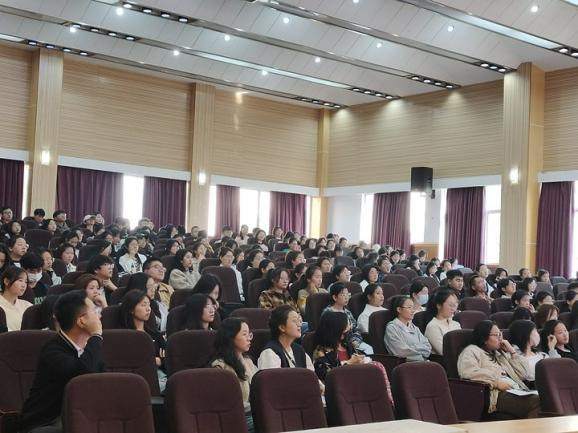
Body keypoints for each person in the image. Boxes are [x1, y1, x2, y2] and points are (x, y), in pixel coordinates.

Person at [18, 290, 104, 433]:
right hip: (46, 422)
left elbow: (101, 383)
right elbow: (83, 374)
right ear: (81, 320)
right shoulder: (52, 351)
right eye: (95, 311)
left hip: (78, 416)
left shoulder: (88, 349)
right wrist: (96, 335)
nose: (99, 315)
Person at [457, 320, 540, 418]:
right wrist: (496, 382)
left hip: (517, 390)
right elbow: (468, 373)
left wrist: (512, 351)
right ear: (484, 338)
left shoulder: (500, 353)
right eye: (496, 335)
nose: (500, 338)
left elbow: (524, 373)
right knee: (537, 402)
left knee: (548, 400)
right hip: (496, 394)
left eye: (501, 334)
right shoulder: (471, 351)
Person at [311, 311, 393, 404]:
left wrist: (362, 361)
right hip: (341, 390)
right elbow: (328, 376)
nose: (349, 328)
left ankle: (388, 402)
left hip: (358, 383)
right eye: (346, 325)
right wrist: (349, 363)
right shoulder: (321, 352)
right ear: (336, 328)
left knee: (377, 366)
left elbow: (358, 359)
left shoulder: (347, 345)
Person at [210, 317, 258, 430]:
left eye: (249, 334)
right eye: (244, 334)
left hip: (255, 413)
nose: (249, 339)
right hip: (237, 417)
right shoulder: (219, 366)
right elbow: (226, 403)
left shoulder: (248, 361)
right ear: (230, 337)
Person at [119, 289, 167, 390]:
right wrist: (153, 360)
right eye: (143, 305)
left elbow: (167, 358)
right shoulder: (122, 336)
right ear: (131, 309)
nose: (148, 309)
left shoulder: (155, 334)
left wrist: (159, 361)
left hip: (159, 376)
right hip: (134, 379)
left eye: (149, 305)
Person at [258, 305, 315, 370]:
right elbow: (270, 379)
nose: (299, 324)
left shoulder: (299, 350)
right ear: (282, 327)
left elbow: (311, 376)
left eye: (299, 320)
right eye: (294, 321)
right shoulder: (269, 353)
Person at [323, 283, 373, 354]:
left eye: (347, 294)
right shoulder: (328, 313)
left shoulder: (348, 312)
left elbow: (356, 329)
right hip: (336, 345)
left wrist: (355, 340)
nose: (346, 297)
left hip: (352, 343)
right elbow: (327, 333)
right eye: (343, 295)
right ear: (335, 297)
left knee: (369, 349)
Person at [384, 295, 431, 361]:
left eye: (413, 307)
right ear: (399, 309)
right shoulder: (392, 328)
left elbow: (428, 347)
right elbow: (400, 352)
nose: (413, 310)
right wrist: (420, 352)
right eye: (409, 307)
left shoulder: (414, 327)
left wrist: (411, 348)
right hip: (406, 366)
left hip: (422, 362)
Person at [424, 289, 461, 355]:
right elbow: (443, 351)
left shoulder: (456, 324)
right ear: (439, 305)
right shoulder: (433, 326)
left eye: (455, 305)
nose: (453, 309)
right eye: (450, 305)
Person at [0, 266, 32, 331]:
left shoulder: (28, 305)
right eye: (20, 280)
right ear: (6, 281)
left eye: (26, 282)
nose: (23, 285)